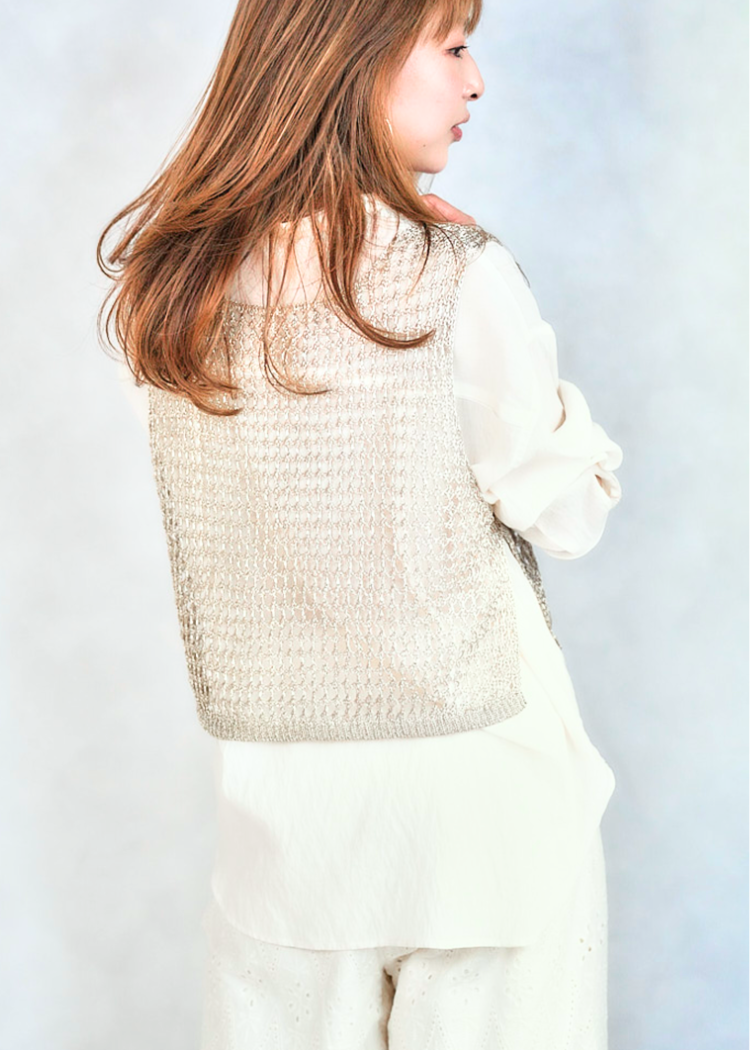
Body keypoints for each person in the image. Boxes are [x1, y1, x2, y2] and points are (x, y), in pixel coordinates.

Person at [98, 0, 624, 1046]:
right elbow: (566, 513)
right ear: (359, 57)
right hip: (484, 800)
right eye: (455, 46)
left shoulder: (175, 294)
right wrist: (511, 308)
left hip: (286, 831)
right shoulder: (453, 272)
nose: (477, 81)